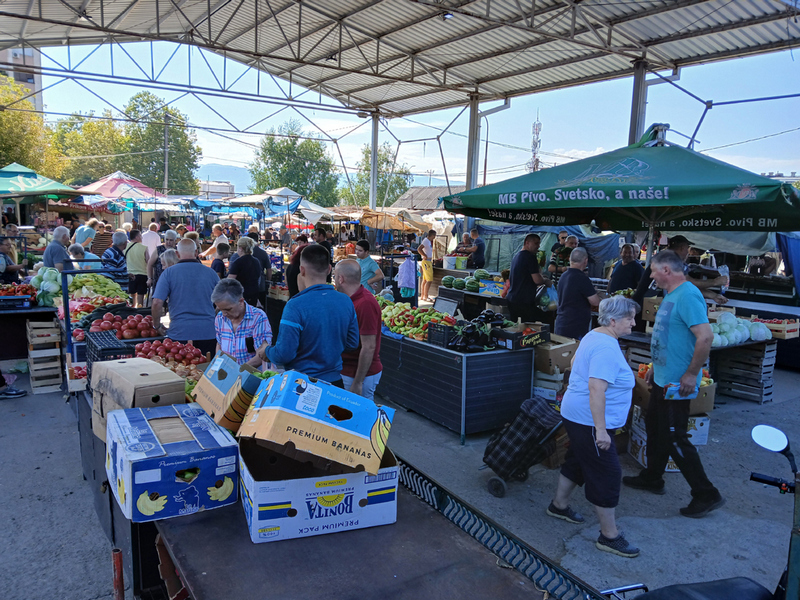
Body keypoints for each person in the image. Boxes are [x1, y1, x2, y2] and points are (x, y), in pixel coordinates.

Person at [623, 250, 724, 518]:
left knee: (675, 437)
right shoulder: (671, 295)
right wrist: (656, 365)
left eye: (654, 271)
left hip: (677, 385)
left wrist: (692, 374)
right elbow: (669, 335)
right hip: (662, 378)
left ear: (666, 270)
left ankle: (706, 493)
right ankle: (653, 477)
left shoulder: (689, 295)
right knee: (655, 427)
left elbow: (705, 337)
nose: (652, 276)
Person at [548, 296, 640, 558]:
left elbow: (574, 362)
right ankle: (609, 536)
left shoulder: (595, 335)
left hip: (578, 414)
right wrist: (600, 431)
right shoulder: (606, 348)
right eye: (629, 318)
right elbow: (596, 388)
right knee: (607, 473)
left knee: (577, 459)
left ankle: (559, 505)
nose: (634, 323)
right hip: (589, 420)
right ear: (613, 320)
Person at [259, 244, 359, 385]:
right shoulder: (346, 301)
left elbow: (284, 354)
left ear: (302, 270)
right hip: (335, 383)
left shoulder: (295, 306)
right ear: (329, 269)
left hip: (301, 385)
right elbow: (352, 343)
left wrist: (267, 351)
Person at [151, 239, 221, 356]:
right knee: (207, 369)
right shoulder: (211, 273)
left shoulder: (168, 273)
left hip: (179, 332)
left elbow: (157, 302)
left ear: (177, 254)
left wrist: (157, 325)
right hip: (207, 331)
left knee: (181, 370)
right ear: (196, 252)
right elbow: (223, 301)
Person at [632, 235, 729, 309]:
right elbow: (688, 282)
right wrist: (715, 282)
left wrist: (713, 295)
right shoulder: (668, 259)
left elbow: (685, 287)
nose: (688, 252)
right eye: (687, 248)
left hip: (653, 305)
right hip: (646, 305)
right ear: (682, 248)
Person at [336, 259, 382, 399]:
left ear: (340, 279)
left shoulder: (365, 303)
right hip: (347, 370)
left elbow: (368, 347)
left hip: (359, 374)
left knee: (359, 416)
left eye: (334, 276)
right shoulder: (347, 299)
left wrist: (358, 382)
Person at [212, 278, 272, 367]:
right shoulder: (220, 317)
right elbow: (219, 344)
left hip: (252, 374)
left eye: (228, 309)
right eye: (220, 309)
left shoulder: (258, 317)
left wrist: (238, 371)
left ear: (241, 301)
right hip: (227, 374)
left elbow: (262, 354)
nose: (224, 314)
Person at [555, 247, 602, 340]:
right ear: (586, 261)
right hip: (575, 326)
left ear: (570, 259)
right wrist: (600, 295)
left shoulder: (563, 276)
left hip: (561, 322)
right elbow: (595, 302)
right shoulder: (582, 278)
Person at [506, 233, 551, 323]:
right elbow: (537, 280)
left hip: (512, 298)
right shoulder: (530, 257)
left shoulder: (517, 256)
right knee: (526, 329)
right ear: (527, 243)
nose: (538, 246)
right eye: (536, 243)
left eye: (539, 243)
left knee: (516, 328)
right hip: (523, 301)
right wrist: (546, 281)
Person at [228, 237, 262, 306]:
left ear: (241, 248)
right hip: (254, 293)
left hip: (241, 295)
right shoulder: (256, 261)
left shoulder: (238, 262)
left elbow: (229, 281)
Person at [124, 230, 150, 308]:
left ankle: (132, 307)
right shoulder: (144, 248)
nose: (141, 237)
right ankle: (140, 308)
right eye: (140, 236)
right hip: (142, 273)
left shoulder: (125, 247)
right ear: (137, 237)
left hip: (130, 273)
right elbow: (148, 261)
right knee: (141, 294)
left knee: (132, 293)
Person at [418, 229, 436, 302]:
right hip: (426, 262)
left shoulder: (428, 242)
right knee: (429, 280)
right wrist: (424, 255)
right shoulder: (426, 241)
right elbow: (419, 249)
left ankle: (423, 295)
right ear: (432, 235)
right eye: (434, 236)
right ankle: (426, 296)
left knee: (425, 279)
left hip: (428, 261)